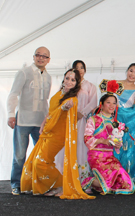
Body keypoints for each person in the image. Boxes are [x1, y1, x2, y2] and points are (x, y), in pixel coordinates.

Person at [20, 69, 94, 199]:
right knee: (41, 159)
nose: (69, 82)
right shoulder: (59, 93)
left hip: (58, 134)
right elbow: (51, 111)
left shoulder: (72, 99)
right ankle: (53, 186)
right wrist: (43, 124)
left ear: (77, 83)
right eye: (67, 78)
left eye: (73, 80)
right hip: (48, 131)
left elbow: (64, 110)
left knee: (40, 161)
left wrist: (65, 107)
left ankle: (61, 185)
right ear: (63, 79)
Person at [7, 47, 52, 195]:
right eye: (38, 55)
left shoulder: (48, 77)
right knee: (19, 155)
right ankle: (16, 184)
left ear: (48, 60)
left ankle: (37, 184)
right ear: (34, 57)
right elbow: (13, 94)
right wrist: (10, 114)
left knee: (41, 155)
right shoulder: (24, 72)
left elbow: (45, 100)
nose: (41, 58)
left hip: (40, 122)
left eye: (44, 56)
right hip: (23, 120)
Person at [81, 85, 135, 195]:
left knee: (127, 184)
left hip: (110, 156)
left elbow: (116, 144)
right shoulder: (93, 119)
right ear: (101, 104)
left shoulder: (115, 123)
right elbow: (87, 138)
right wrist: (101, 141)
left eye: (114, 103)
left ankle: (102, 184)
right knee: (106, 183)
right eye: (108, 102)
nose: (111, 105)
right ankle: (87, 182)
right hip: (96, 157)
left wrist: (117, 144)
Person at [54, 60, 97, 194]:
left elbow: (93, 102)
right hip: (66, 121)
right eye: (76, 67)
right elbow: (58, 101)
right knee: (65, 147)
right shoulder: (67, 85)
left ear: (85, 70)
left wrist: (81, 113)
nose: (79, 70)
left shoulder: (90, 86)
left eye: (81, 68)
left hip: (81, 121)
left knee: (81, 147)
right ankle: (62, 181)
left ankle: (82, 182)